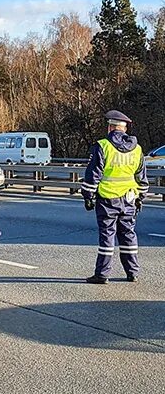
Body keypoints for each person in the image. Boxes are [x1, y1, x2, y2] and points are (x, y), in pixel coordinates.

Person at [81, 110, 149, 284]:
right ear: (124, 129)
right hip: (129, 199)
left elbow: (93, 174)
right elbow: (141, 177)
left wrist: (88, 195)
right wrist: (141, 196)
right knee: (128, 235)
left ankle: (102, 274)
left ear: (110, 127)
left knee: (107, 237)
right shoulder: (137, 148)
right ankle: (132, 272)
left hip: (107, 199)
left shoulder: (102, 146)